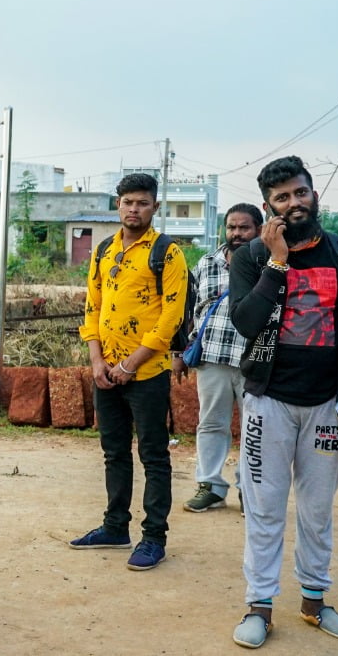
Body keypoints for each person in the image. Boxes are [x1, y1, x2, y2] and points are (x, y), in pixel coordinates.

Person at [227, 156, 338, 649]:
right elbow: (246, 323)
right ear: (268, 207)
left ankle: (315, 601)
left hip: (329, 404)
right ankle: (259, 605)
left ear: (314, 195)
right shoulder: (252, 257)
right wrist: (277, 262)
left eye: (300, 193)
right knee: (264, 508)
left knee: (317, 509)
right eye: (282, 198)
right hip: (269, 401)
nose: (294, 203)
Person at [70, 172, 186, 571]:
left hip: (147, 372)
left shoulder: (167, 253)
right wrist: (97, 361)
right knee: (114, 451)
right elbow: (93, 306)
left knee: (153, 455)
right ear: (117, 205)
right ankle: (115, 526)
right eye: (127, 202)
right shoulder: (104, 250)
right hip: (106, 371)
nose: (134, 209)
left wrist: (129, 365)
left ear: (155, 207)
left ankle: (153, 538)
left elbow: (170, 318)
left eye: (142, 203)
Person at [174, 204, 263, 513]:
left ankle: (249, 490)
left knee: (255, 429)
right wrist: (179, 353)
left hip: (254, 360)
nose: (237, 234)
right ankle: (210, 486)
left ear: (259, 230)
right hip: (212, 357)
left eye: (244, 228)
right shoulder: (207, 263)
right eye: (232, 227)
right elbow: (189, 310)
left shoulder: (270, 264)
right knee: (211, 423)